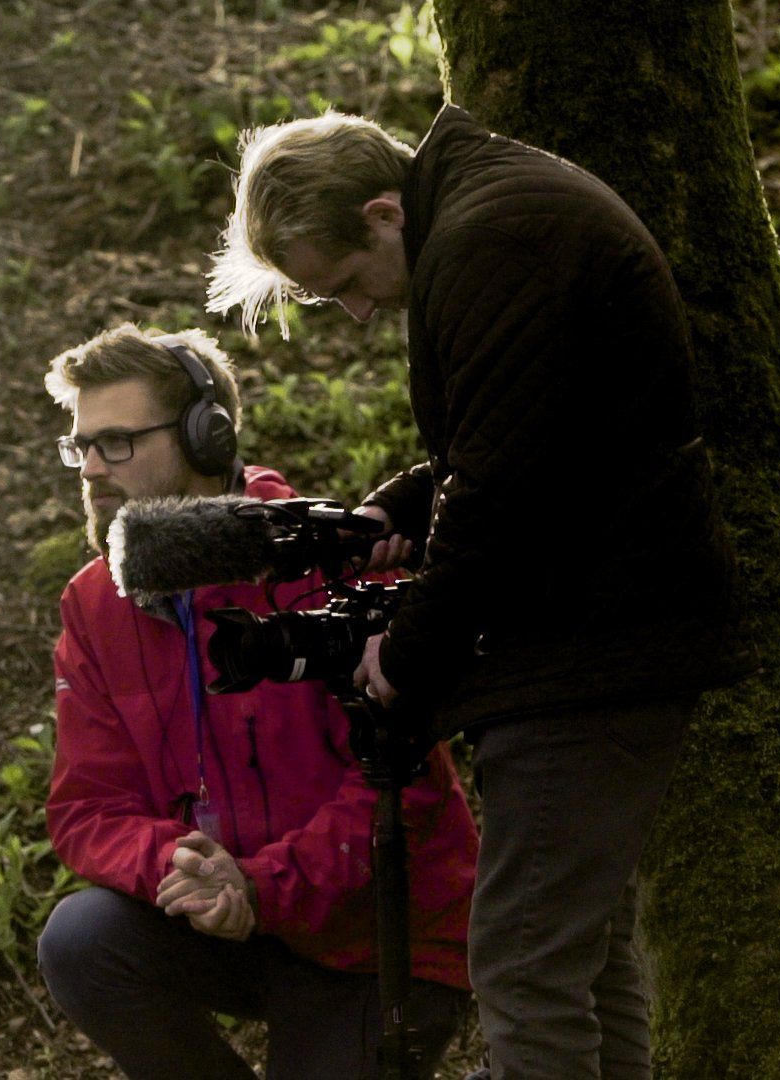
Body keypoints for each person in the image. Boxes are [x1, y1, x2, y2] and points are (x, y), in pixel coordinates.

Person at [207, 108, 755, 1079]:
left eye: (348, 284)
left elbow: (501, 491)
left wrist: (408, 648)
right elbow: (526, 439)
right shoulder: (495, 212)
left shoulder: (491, 240)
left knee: (522, 960)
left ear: (383, 213)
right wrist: (398, 510)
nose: (360, 313)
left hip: (591, 645)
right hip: (607, 627)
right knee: (581, 953)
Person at [36, 323, 483, 1079]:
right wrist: (179, 863)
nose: (93, 469)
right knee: (82, 939)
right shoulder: (94, 603)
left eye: (117, 443)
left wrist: (259, 885)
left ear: (205, 438)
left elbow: (402, 787)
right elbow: (88, 807)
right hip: (238, 923)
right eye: (81, 447)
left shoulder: (326, 560)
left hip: (377, 943)